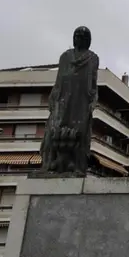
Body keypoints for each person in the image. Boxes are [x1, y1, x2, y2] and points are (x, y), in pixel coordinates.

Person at [40, 26, 99, 175]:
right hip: (63, 99)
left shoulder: (92, 58)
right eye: (76, 35)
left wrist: (92, 101)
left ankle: (76, 164)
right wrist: (54, 98)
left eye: (82, 36)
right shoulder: (65, 57)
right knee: (54, 130)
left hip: (81, 101)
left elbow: (92, 83)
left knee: (79, 132)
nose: (78, 38)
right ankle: (51, 162)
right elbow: (59, 80)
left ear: (88, 40)